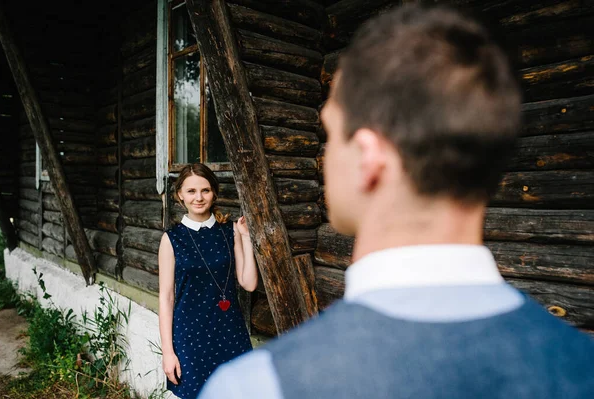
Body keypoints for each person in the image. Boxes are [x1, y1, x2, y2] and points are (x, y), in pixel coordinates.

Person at [198, 4, 594, 399]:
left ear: (369, 158)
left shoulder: (254, 387)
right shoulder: (581, 366)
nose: (325, 156)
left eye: (332, 134)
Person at [158, 163, 257, 399]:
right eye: (191, 191)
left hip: (229, 331)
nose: (199, 197)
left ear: (214, 193)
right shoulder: (172, 239)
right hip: (189, 336)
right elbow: (166, 297)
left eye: (205, 190)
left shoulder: (229, 231)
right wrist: (168, 352)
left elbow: (249, 283)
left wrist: (246, 239)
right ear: (180, 195)